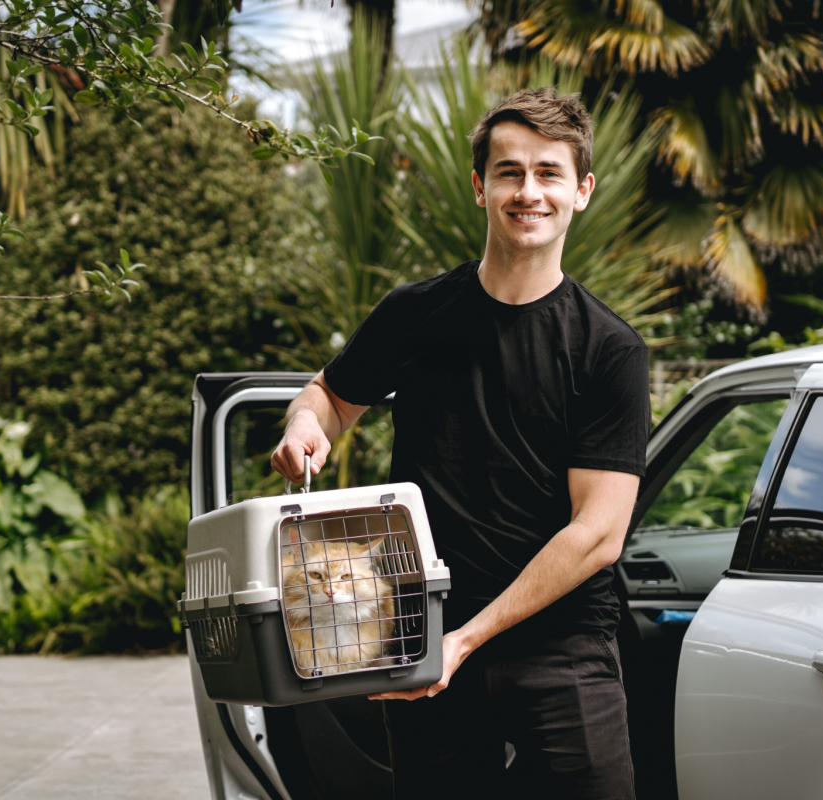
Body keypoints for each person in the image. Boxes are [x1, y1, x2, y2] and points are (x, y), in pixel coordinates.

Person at [270, 86, 648, 799]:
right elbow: (329, 396)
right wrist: (304, 425)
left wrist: (466, 641)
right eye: (509, 172)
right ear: (480, 187)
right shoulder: (414, 315)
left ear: (582, 191)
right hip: (422, 628)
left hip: (561, 647)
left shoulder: (608, 349)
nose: (527, 191)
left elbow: (597, 534)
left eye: (547, 173)